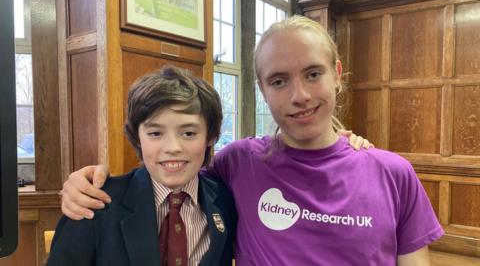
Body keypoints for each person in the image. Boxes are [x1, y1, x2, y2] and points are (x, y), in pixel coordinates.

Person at [59, 15, 443, 265]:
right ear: (262, 88)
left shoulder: (393, 174)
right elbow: (170, 168)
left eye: (313, 74)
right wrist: (80, 183)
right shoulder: (240, 163)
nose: (300, 96)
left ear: (337, 73)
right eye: (279, 80)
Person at [47, 66, 237, 266]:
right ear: (137, 137)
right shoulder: (95, 202)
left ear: (211, 136)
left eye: (188, 133)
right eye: (155, 133)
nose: (172, 148)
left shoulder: (225, 202)